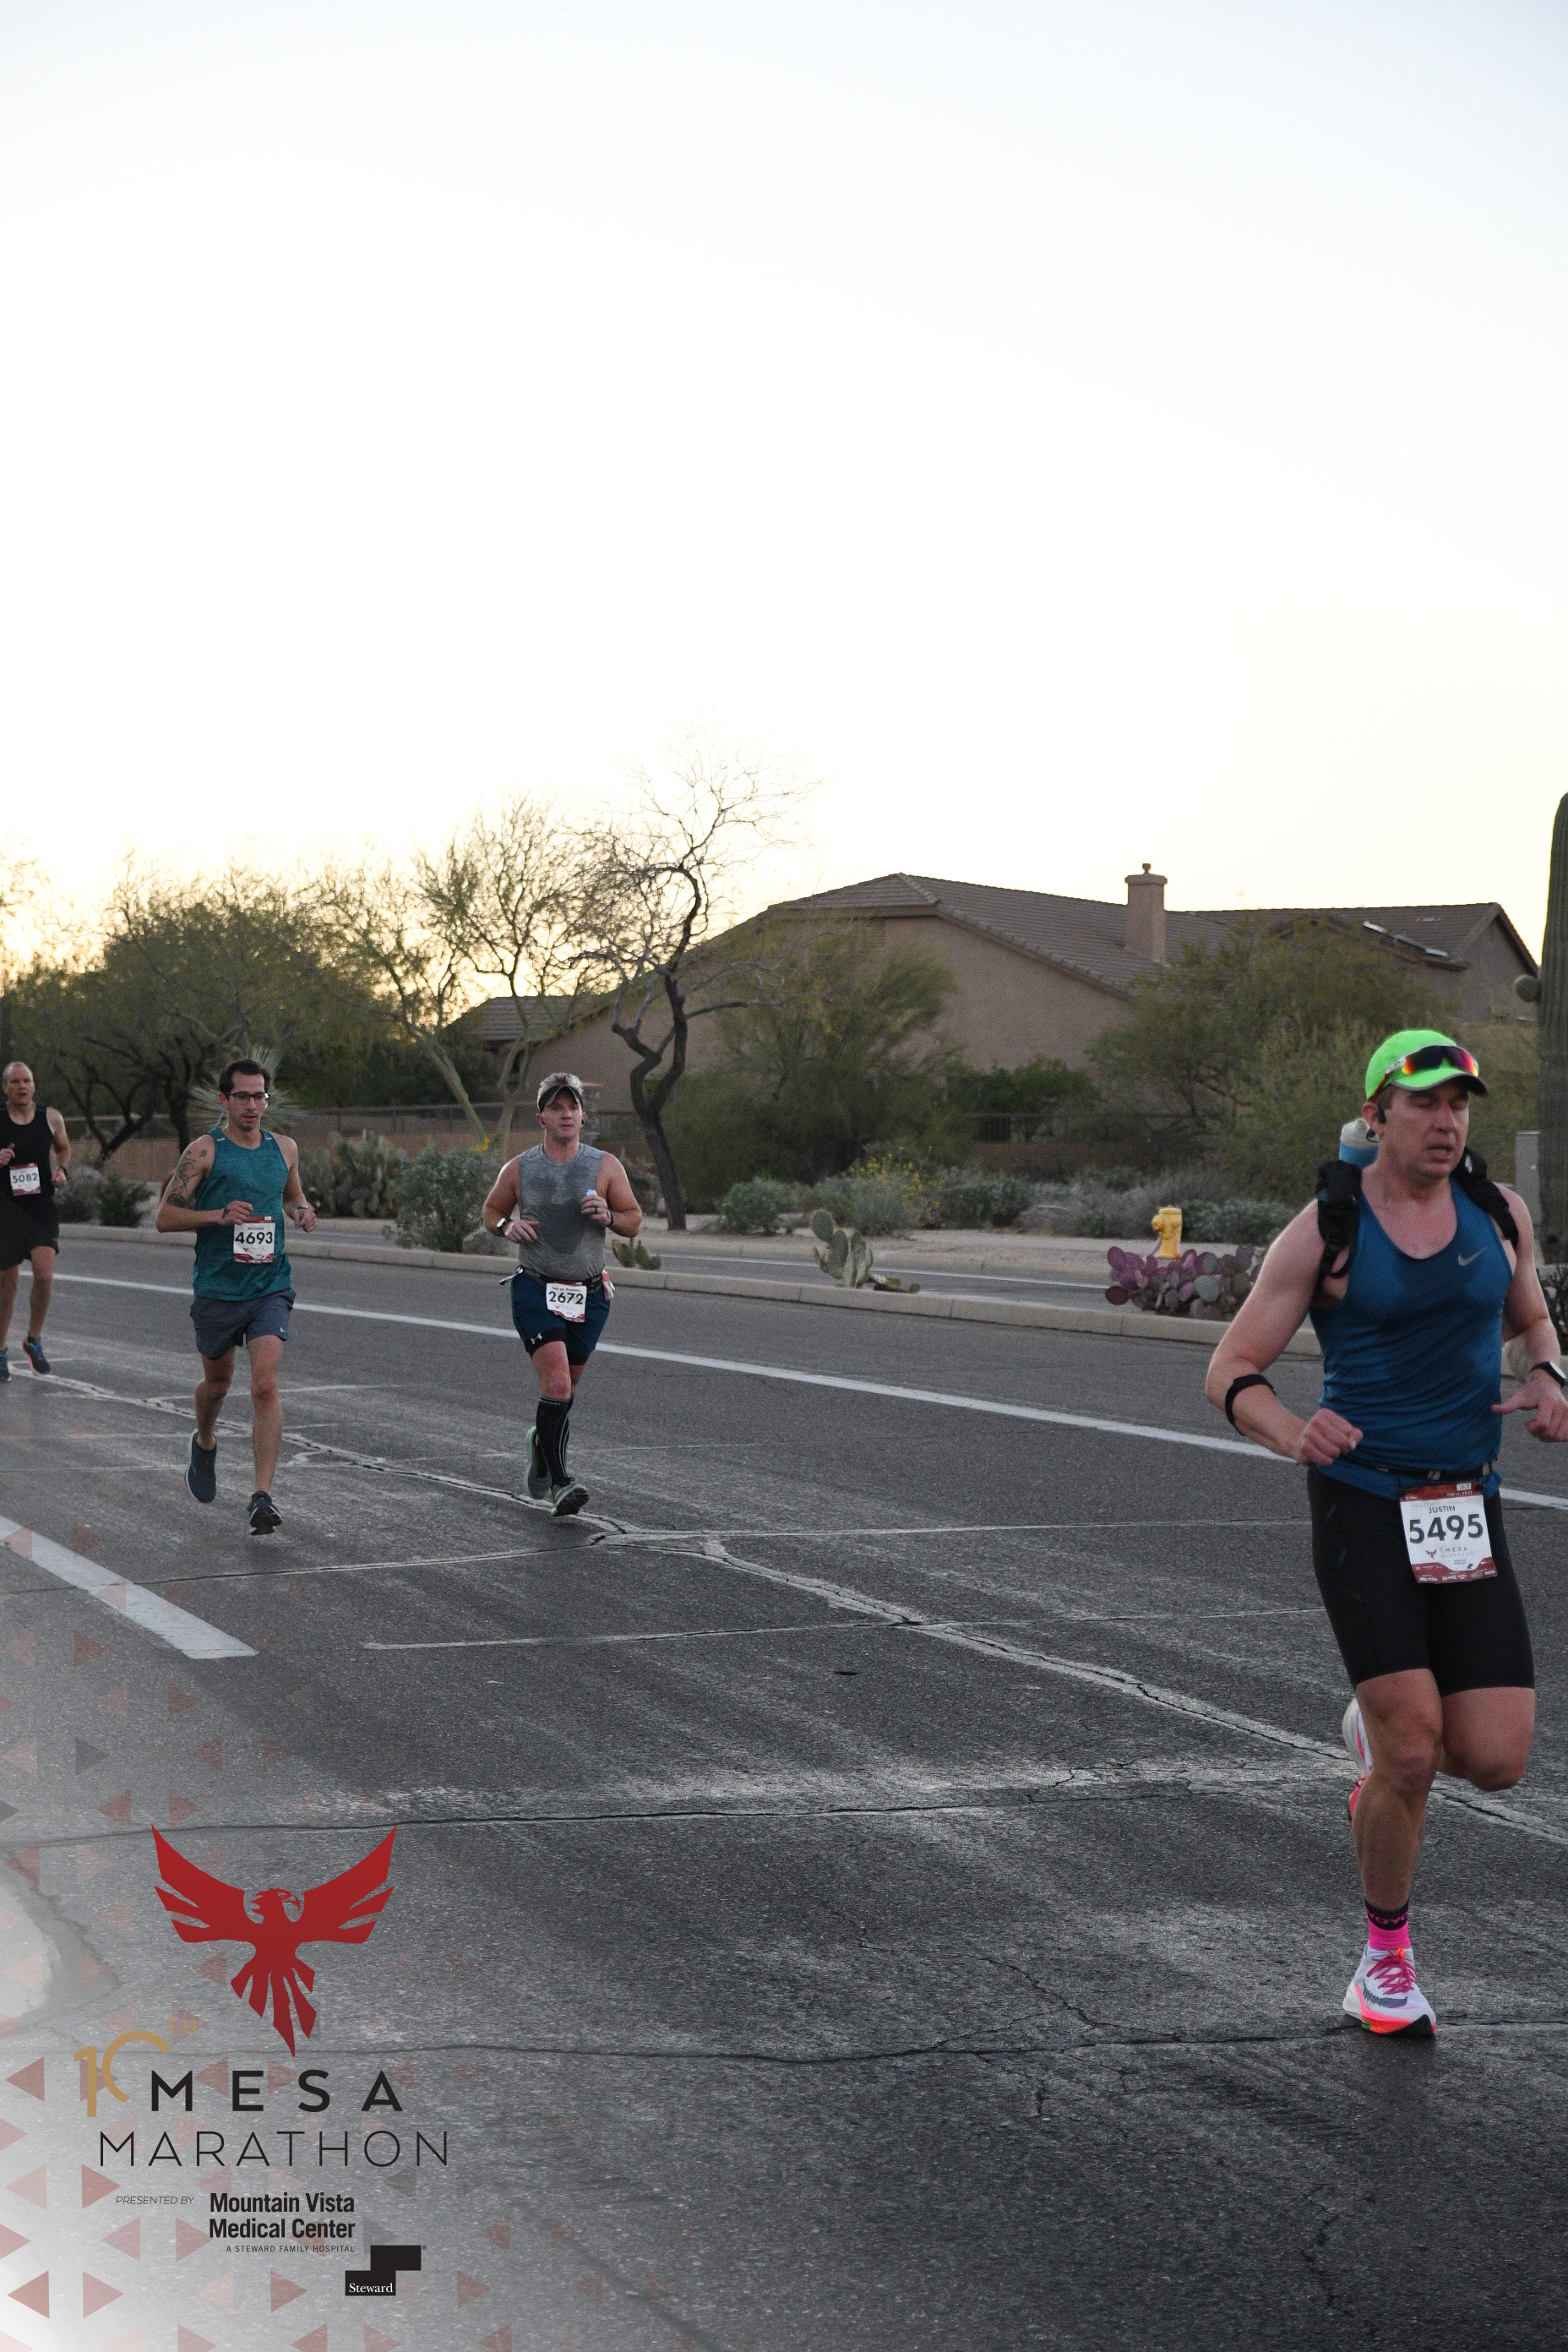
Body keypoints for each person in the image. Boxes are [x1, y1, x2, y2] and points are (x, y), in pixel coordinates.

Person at [1206, 1028, 1568, 2039]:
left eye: (1457, 1104)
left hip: (1462, 1505)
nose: (1445, 1122)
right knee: (1413, 1755)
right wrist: (1293, 1430)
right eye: (1423, 1103)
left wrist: (1548, 1374)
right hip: (1362, 1501)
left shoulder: (1497, 1214)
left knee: (1492, 1758)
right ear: (1377, 1115)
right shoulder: (1323, 1232)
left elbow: (1529, 1322)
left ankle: (1373, 1734)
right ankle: (1383, 1962)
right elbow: (1228, 1370)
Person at [155, 1059, 318, 1534]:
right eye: (242, 1096)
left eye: (259, 1096)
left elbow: (292, 1195)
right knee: (218, 1384)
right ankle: (204, 1440)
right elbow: (164, 1217)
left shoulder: (284, 1148)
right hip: (218, 1289)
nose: (252, 1105)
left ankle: (261, 1496)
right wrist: (217, 1215)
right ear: (224, 1099)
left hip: (270, 1284)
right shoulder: (204, 1152)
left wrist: (303, 1210)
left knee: (264, 1386)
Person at [481, 1071, 643, 1516]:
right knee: (555, 1384)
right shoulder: (519, 1168)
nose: (566, 1114)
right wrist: (506, 1225)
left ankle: (540, 1442)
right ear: (541, 1119)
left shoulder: (606, 1166)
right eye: (556, 1108)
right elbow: (492, 1211)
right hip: (535, 1288)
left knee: (565, 1392)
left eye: (572, 1106)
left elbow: (633, 1220)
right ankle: (560, 1483)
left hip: (589, 1294)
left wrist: (609, 1216)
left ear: (583, 1116)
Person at [0, 1060, 70, 1380]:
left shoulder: (51, 1117)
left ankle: (33, 1340)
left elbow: (64, 1149)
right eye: (15, 1082)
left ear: (34, 1085)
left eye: (26, 1081)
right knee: (8, 1284)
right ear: (6, 1087)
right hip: (6, 1210)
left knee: (44, 1276)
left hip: (40, 1207)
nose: (21, 1086)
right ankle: (1, 1350)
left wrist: (62, 1170)